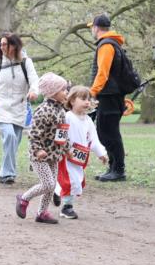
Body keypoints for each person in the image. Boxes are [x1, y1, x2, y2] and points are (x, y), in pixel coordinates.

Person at [0, 32, 39, 184]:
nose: (2, 47)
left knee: (13, 143)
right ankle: (8, 174)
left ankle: (3, 173)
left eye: (5, 44)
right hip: (0, 106)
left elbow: (34, 80)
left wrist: (34, 91)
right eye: (1, 44)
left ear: (14, 45)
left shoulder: (26, 63)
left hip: (19, 108)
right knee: (10, 137)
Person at [15, 73, 70, 224]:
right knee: (48, 184)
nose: (67, 92)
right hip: (39, 156)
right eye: (63, 89)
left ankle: (42, 213)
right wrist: (38, 150)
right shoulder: (43, 111)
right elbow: (34, 134)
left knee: (51, 186)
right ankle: (24, 198)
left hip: (54, 155)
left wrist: (68, 149)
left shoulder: (61, 111)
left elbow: (63, 133)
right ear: (52, 92)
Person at [53, 86, 107, 219]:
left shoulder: (88, 120)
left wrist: (101, 153)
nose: (87, 102)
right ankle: (67, 208)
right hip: (67, 155)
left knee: (79, 180)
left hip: (81, 156)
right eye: (83, 99)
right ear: (72, 101)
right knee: (72, 181)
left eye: (89, 99)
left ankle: (57, 190)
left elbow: (93, 139)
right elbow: (60, 135)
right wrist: (61, 150)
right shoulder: (67, 117)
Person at [88, 13, 128, 181]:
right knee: (104, 132)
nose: (92, 30)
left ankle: (118, 170)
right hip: (111, 95)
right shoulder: (112, 44)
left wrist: (92, 92)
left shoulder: (106, 46)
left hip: (109, 95)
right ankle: (113, 168)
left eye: (92, 27)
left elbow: (103, 73)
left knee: (109, 133)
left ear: (96, 28)